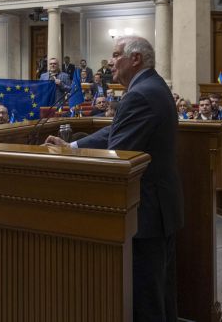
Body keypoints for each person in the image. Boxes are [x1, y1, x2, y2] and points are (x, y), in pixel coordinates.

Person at [45, 36, 183, 321]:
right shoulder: (151, 87)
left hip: (145, 209)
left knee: (147, 296)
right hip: (159, 206)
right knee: (159, 290)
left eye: (116, 54)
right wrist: (71, 147)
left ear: (136, 60)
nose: (111, 61)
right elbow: (116, 131)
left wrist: (77, 160)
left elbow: (116, 148)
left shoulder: (140, 94)